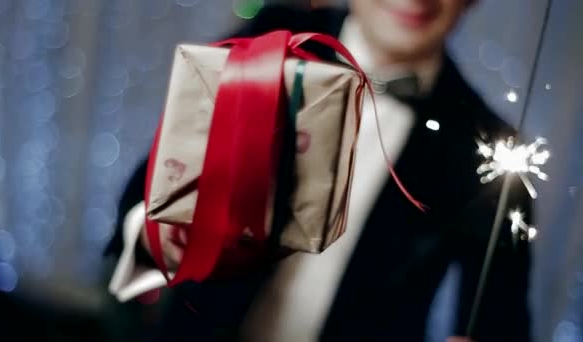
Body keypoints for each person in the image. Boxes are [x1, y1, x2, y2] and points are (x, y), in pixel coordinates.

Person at [105, 0, 533, 341]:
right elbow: (150, 187)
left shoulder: (490, 148)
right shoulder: (273, 36)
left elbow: (500, 318)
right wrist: (159, 233)